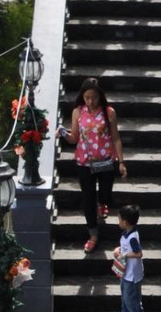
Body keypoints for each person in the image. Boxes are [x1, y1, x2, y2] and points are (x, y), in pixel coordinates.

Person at [60, 77, 128, 254]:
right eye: (87, 97)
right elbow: (75, 137)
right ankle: (93, 234)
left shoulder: (109, 112)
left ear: (100, 97)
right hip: (85, 162)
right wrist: (63, 134)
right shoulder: (78, 112)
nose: (91, 101)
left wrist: (121, 162)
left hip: (106, 160)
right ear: (83, 96)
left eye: (94, 98)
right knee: (88, 198)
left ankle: (103, 202)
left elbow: (116, 138)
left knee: (105, 193)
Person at [112, 204, 146, 312]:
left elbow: (138, 253)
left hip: (132, 275)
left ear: (125, 222)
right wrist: (118, 249)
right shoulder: (126, 233)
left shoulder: (133, 237)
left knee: (131, 296)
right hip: (125, 272)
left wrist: (123, 255)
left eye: (119, 219)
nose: (118, 222)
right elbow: (125, 247)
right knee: (125, 294)